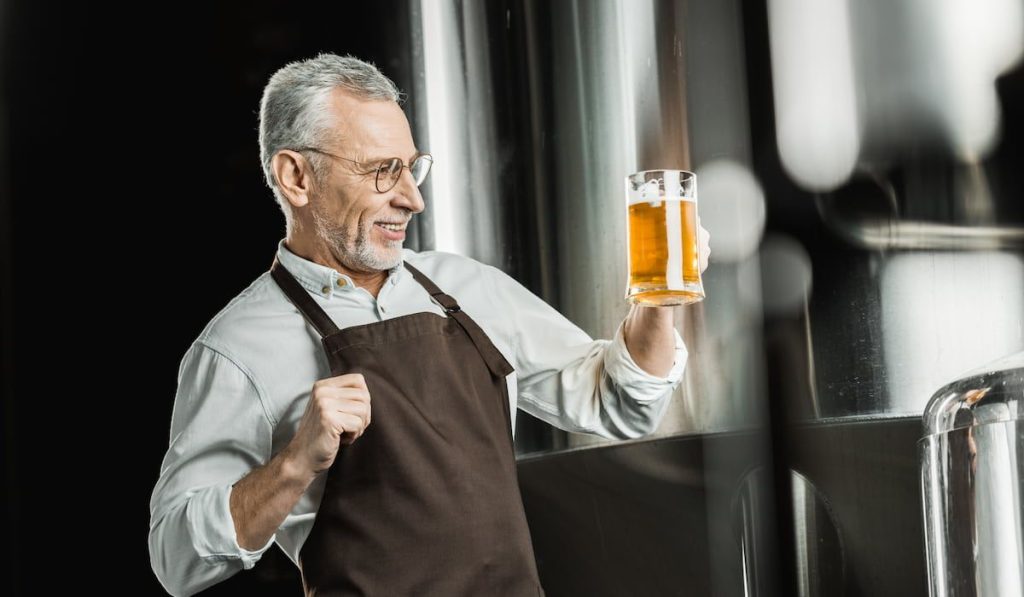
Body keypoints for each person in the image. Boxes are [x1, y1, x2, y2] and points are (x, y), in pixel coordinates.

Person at [148, 53, 709, 597]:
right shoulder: (237, 349)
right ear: (297, 176)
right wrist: (294, 465)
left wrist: (659, 293)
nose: (413, 198)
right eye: (381, 171)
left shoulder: (467, 289)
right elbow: (176, 561)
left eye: (411, 167)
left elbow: (619, 401)